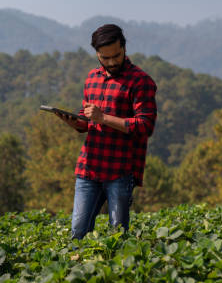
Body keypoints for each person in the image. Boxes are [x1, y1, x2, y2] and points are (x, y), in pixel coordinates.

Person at [55, 24, 157, 239]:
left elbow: (145, 126)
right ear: (97, 54)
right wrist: (75, 122)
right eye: (104, 58)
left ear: (124, 48)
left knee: (117, 235)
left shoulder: (141, 81)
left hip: (119, 170)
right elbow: (88, 121)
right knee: (78, 233)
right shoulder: (92, 78)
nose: (111, 62)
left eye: (116, 56)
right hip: (88, 168)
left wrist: (104, 118)